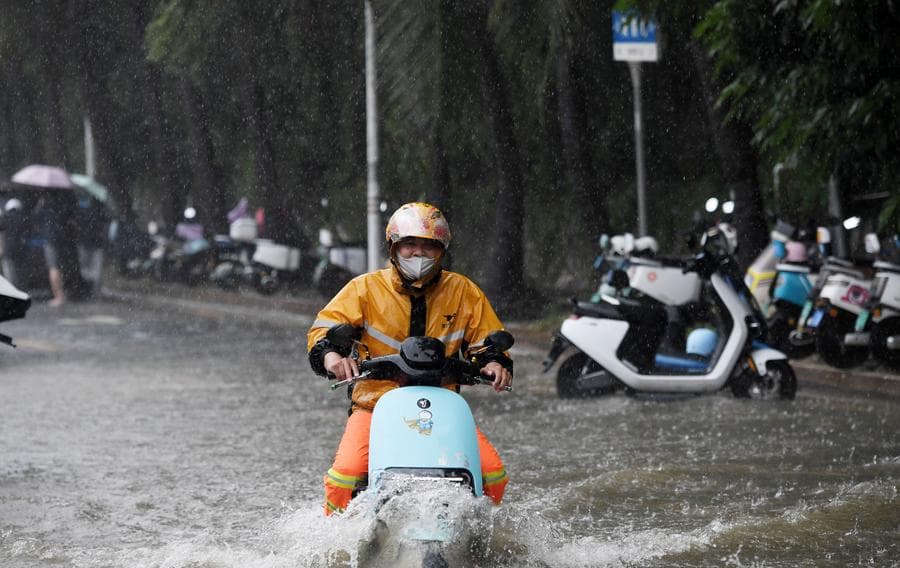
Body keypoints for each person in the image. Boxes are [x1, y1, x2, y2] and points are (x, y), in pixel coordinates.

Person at [307, 202, 513, 516]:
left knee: (493, 473)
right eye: (410, 245)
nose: (418, 254)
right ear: (393, 248)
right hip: (374, 406)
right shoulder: (364, 289)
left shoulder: (464, 291)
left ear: (441, 251)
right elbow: (323, 330)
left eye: (428, 246)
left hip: (443, 409)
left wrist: (494, 362)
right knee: (344, 476)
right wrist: (332, 356)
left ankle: (481, 530)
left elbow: (487, 340)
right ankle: (336, 538)